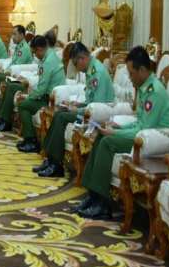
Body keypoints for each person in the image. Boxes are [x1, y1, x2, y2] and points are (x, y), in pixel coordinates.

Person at [76, 46, 169, 219]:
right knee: (101, 136)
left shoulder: (155, 92)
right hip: (143, 136)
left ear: (142, 70)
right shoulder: (145, 87)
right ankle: (93, 195)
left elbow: (144, 129)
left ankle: (102, 204)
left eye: (131, 73)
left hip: (152, 144)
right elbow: (139, 122)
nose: (130, 77)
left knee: (108, 142)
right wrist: (118, 128)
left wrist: (114, 134)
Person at [34, 42, 114, 178]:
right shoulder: (91, 69)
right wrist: (78, 104)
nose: (76, 68)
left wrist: (77, 110)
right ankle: (50, 160)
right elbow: (90, 102)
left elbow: (97, 108)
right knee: (59, 113)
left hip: (97, 118)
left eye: (76, 64)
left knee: (61, 117)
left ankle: (56, 165)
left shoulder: (97, 73)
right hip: (91, 111)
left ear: (82, 58)